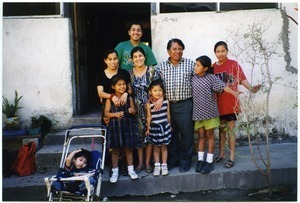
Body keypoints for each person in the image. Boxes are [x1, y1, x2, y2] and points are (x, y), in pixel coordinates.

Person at [213, 41, 261, 168]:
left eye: (223, 51)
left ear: (227, 51)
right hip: (218, 104)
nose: (221, 53)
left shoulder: (233, 65)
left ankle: (231, 157)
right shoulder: (213, 67)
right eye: (218, 51)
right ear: (215, 53)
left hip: (231, 104)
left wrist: (251, 88)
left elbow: (242, 79)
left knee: (231, 130)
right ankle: (221, 154)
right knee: (221, 130)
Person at [192, 55, 240, 174]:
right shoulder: (193, 78)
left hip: (210, 113)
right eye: (195, 65)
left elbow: (224, 87)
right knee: (201, 136)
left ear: (205, 68)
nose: (195, 67)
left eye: (198, 65)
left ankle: (209, 161)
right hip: (198, 114)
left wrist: (234, 93)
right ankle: (200, 160)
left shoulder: (211, 78)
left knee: (210, 135)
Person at [153, 38, 195, 173]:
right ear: (168, 51)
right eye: (174, 49)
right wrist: (160, 98)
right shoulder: (161, 67)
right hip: (167, 106)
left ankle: (185, 161)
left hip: (185, 104)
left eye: (180, 48)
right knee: (170, 133)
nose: (177, 51)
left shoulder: (190, 64)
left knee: (186, 134)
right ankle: (173, 160)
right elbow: (155, 86)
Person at [104, 74, 141, 183]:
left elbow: (134, 110)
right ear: (113, 87)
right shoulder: (109, 100)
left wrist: (131, 111)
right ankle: (115, 172)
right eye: (119, 85)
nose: (122, 86)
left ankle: (131, 170)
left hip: (127, 126)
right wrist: (115, 115)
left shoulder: (129, 98)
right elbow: (106, 114)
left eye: (124, 84)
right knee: (115, 150)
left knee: (128, 149)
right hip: (115, 127)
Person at [128, 46, 157, 173]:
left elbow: (158, 87)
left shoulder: (151, 71)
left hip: (150, 108)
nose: (138, 58)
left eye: (140, 56)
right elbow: (128, 91)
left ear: (145, 57)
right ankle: (140, 163)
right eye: (135, 57)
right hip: (136, 109)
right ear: (132, 59)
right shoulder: (129, 73)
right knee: (139, 137)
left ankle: (148, 163)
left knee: (149, 135)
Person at [145, 79, 172, 176]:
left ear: (163, 91)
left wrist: (170, 125)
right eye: (155, 90)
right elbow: (149, 117)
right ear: (150, 92)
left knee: (164, 147)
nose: (158, 92)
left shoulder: (166, 102)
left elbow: (168, 114)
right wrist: (148, 128)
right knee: (156, 148)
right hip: (154, 128)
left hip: (165, 127)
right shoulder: (149, 105)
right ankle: (157, 166)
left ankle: (164, 165)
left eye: (160, 90)